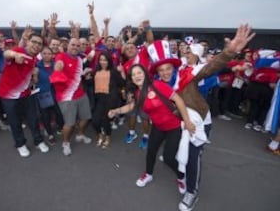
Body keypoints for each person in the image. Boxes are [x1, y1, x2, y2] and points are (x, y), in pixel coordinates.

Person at [151, 24, 255, 211]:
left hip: (197, 121)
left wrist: (229, 52)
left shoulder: (193, 72)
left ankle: (191, 192)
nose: (165, 72)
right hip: (180, 120)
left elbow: (211, 67)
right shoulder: (173, 73)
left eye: (189, 51)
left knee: (192, 156)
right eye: (162, 70)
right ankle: (182, 173)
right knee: (172, 152)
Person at [108, 64, 195, 193]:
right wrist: (116, 111)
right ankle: (148, 174)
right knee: (151, 152)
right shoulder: (138, 93)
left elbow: (179, 101)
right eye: (133, 75)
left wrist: (187, 121)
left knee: (169, 158)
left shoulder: (158, 85)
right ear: (131, 79)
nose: (137, 76)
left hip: (174, 127)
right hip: (157, 127)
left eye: (139, 73)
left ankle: (181, 178)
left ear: (144, 73)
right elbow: (132, 106)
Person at [0, 32, 49, 157]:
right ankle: (20, 144)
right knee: (15, 121)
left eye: (39, 44)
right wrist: (15, 54)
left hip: (26, 94)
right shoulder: (19, 50)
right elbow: (6, 54)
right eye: (34, 42)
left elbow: (31, 80)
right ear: (27, 42)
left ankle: (39, 141)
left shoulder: (34, 59)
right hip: (9, 96)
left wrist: (35, 74)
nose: (36, 45)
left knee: (33, 119)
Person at [50, 38, 92, 156]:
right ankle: (66, 143)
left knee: (86, 118)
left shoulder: (79, 59)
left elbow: (76, 75)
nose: (75, 47)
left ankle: (80, 134)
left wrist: (84, 74)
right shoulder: (61, 56)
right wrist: (57, 70)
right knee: (70, 123)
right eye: (72, 45)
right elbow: (59, 65)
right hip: (66, 97)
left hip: (81, 94)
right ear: (67, 45)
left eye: (77, 46)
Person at [92, 52, 125, 148]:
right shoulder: (96, 71)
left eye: (105, 60)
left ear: (109, 61)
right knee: (95, 121)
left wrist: (122, 71)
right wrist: (86, 77)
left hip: (110, 99)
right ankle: (100, 135)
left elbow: (122, 83)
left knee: (106, 120)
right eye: (101, 59)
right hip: (99, 98)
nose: (103, 62)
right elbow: (91, 82)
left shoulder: (113, 71)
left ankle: (108, 137)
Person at [36, 46, 64, 145]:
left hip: (55, 94)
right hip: (43, 95)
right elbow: (34, 81)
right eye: (44, 53)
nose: (47, 55)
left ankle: (60, 127)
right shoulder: (37, 66)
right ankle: (49, 133)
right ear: (41, 54)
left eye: (49, 53)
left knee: (59, 113)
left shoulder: (55, 65)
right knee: (45, 116)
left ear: (52, 55)